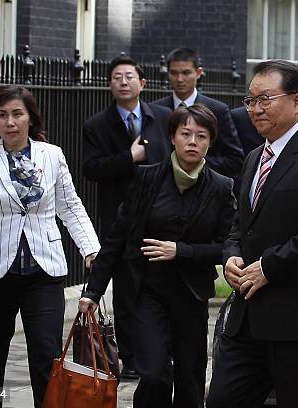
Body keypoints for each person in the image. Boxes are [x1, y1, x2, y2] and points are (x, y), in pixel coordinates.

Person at [0, 86, 100, 408]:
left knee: (46, 356)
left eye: (17, 114)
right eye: (2, 115)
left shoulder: (51, 155)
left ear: (30, 118)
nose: (10, 122)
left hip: (44, 271)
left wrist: (91, 249)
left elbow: (70, 206)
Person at [206, 60, 298, 408]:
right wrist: (232, 255)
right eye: (250, 101)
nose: (255, 110)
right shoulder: (254, 157)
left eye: (265, 99)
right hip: (247, 319)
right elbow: (240, 225)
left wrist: (267, 267)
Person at [79, 104, 236, 408]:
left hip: (191, 296)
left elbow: (228, 245)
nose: (193, 141)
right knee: (152, 373)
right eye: (186, 133)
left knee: (190, 378)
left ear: (210, 142)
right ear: (173, 137)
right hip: (146, 292)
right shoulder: (146, 178)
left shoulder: (220, 187)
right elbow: (117, 237)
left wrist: (182, 251)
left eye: (201, 136)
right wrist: (93, 291)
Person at [82, 54, 172, 380]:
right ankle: (131, 358)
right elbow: (91, 169)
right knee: (125, 290)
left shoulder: (162, 118)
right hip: (119, 218)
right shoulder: (96, 125)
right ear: (110, 84)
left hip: (160, 215)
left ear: (142, 83)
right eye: (117, 77)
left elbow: (171, 160)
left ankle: (163, 353)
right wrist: (128, 157)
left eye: (129, 76)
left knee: (159, 285)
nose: (123, 81)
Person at [152, 48, 244, 195]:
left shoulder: (217, 110)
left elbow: (235, 159)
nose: (180, 79)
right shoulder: (156, 109)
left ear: (199, 72)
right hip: (162, 192)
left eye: (186, 73)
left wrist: (193, 162)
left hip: (204, 191)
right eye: (174, 73)